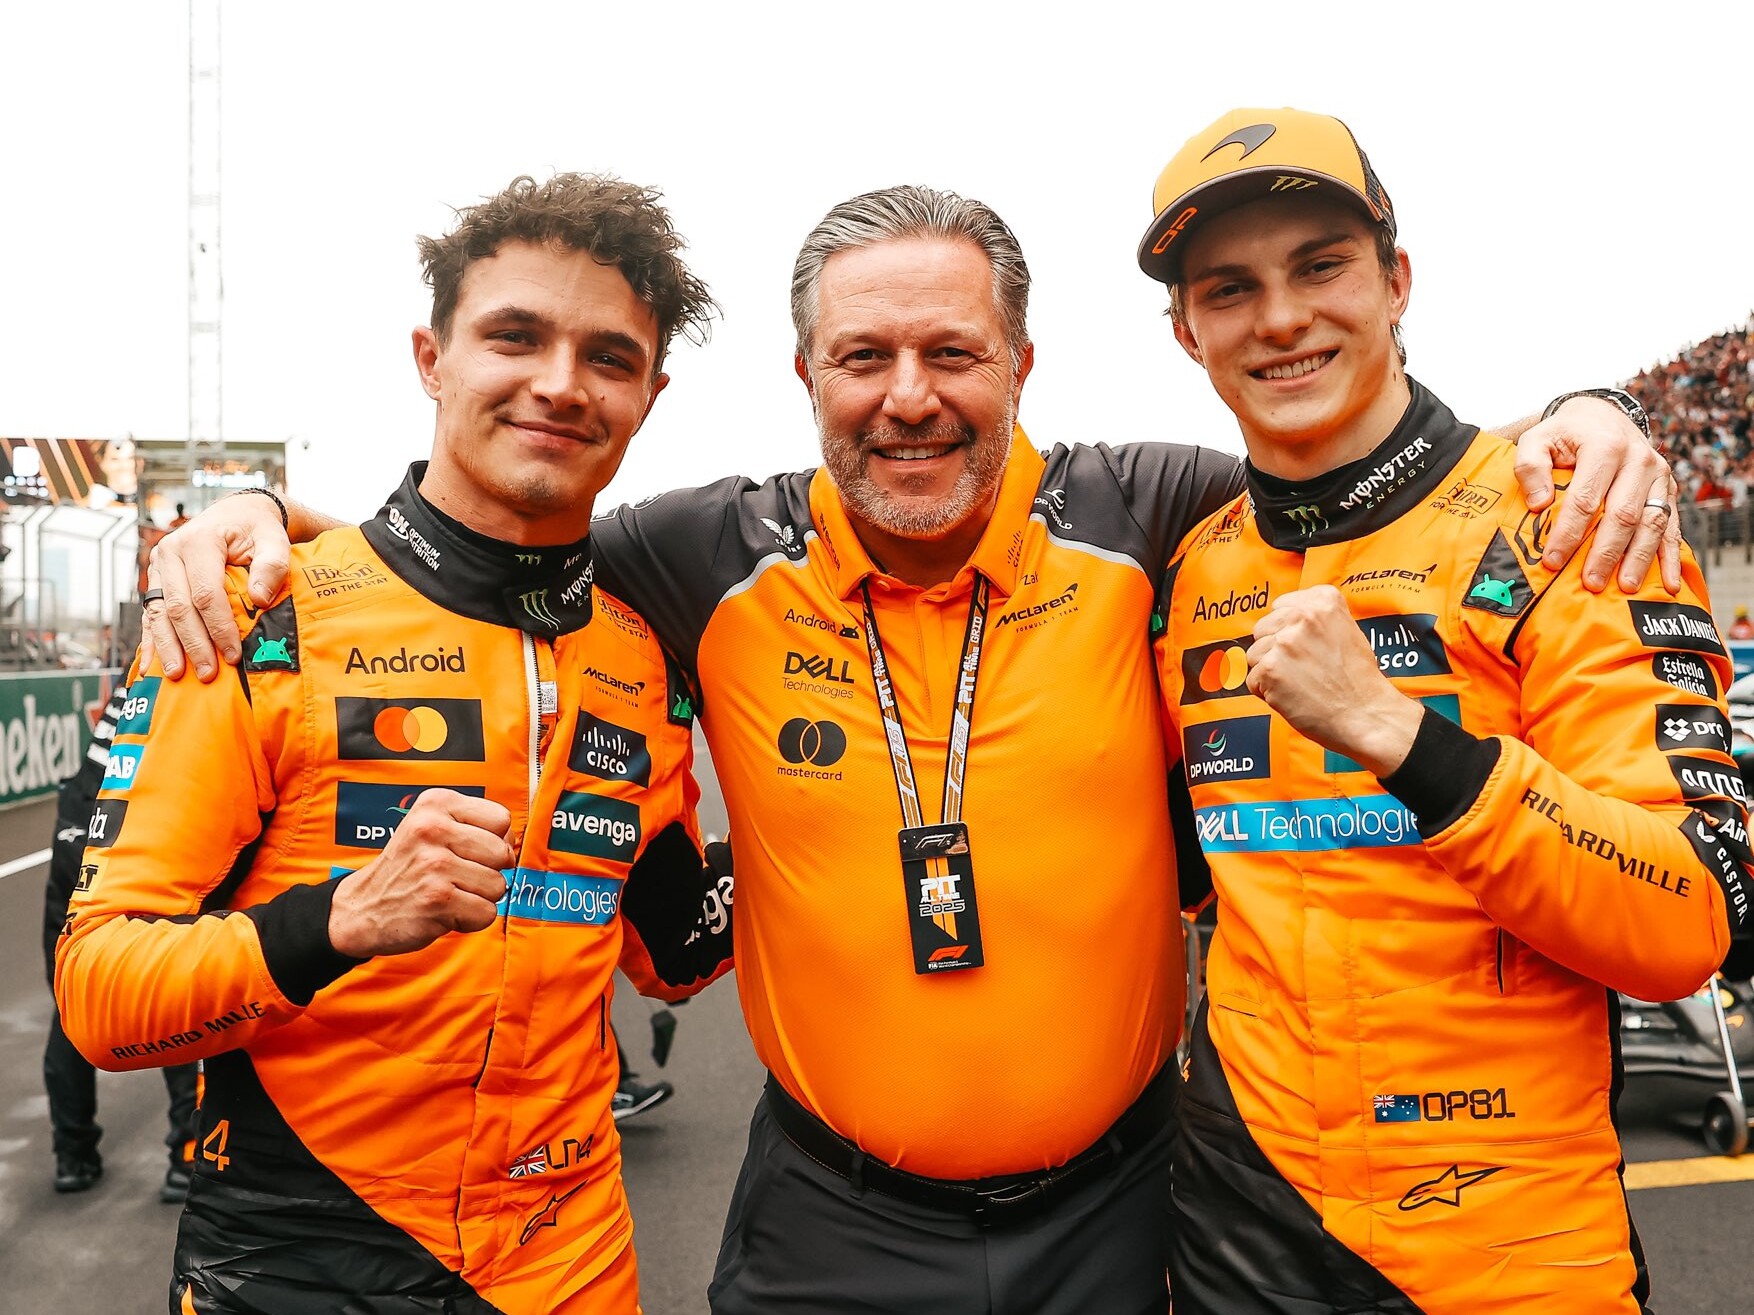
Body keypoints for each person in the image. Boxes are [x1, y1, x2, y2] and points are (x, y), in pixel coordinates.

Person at [144, 185, 1676, 1314]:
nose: (908, 397)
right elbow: (480, 542)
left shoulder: (1150, 510)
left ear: (1021, 365)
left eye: (953, 351)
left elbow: (1360, 469)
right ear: (804, 377)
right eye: (862, 355)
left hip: (1121, 1211)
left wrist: (1586, 414)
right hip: (830, 1220)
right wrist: (260, 515)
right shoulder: (698, 553)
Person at [56, 174, 734, 1314]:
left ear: (648, 395)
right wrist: (343, 917)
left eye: (609, 357)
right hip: (298, 1259)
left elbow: (670, 950)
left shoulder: (637, 652)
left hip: (570, 1265)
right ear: (432, 358)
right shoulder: (258, 613)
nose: (560, 383)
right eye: (515, 336)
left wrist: (817, 834)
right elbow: (98, 992)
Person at [1138, 107, 1754, 1313]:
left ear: (1395, 280)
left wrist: (1405, 742)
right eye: (1229, 288)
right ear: (1185, 331)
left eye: (1319, 266)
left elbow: (1685, 916)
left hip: (1505, 1245)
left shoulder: (1572, 523)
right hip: (1238, 1221)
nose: (1278, 317)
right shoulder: (1189, 570)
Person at [41, 678, 199, 1201]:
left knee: (71, 1000)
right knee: (173, 992)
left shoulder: (138, 674)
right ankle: (186, 1157)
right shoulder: (187, 666)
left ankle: (72, 1155)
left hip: (79, 826)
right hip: (140, 832)